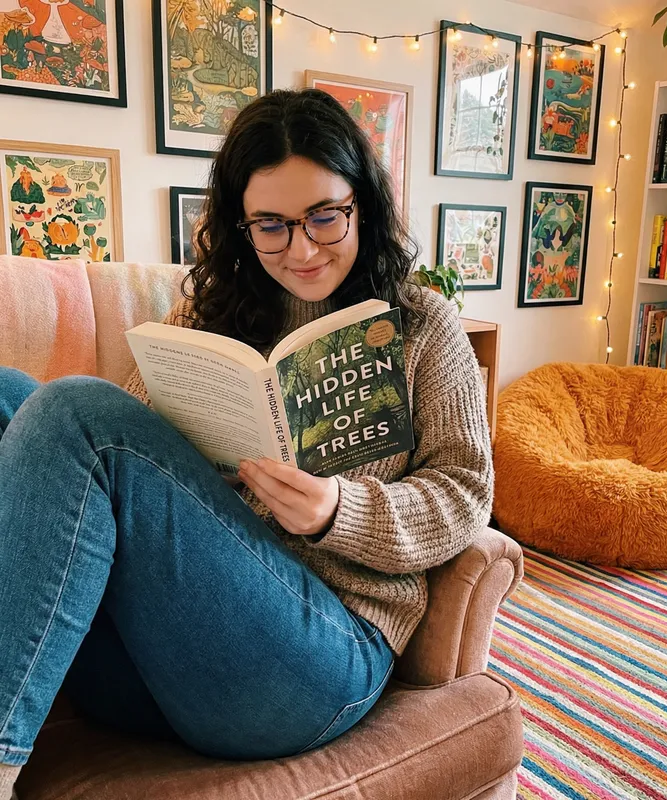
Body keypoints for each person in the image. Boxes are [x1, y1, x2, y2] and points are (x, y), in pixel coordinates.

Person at [0, 88, 493, 798]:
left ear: (365, 203)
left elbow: (466, 494)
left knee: (73, 410)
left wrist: (337, 511)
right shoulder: (208, 312)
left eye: (326, 216)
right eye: (271, 225)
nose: (302, 248)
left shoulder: (422, 326)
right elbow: (128, 443)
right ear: (241, 224)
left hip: (319, 659)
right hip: (162, 659)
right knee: (16, 397)